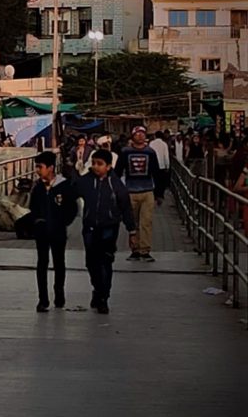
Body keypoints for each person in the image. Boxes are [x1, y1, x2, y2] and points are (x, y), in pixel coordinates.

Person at [75, 149, 138, 314]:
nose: (96, 167)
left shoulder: (116, 184)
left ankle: (103, 297)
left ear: (109, 166)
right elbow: (70, 191)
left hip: (109, 227)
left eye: (100, 164)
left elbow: (125, 208)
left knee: (105, 261)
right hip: (89, 226)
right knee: (91, 262)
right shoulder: (86, 181)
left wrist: (132, 231)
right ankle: (97, 288)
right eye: (94, 163)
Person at [28, 151, 78, 312]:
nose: (37, 170)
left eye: (40, 167)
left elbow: (72, 208)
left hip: (58, 231)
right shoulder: (38, 188)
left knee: (59, 263)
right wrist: (37, 222)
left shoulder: (64, 186)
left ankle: (59, 295)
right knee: (42, 263)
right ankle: (43, 299)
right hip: (41, 232)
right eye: (36, 167)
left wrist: (63, 222)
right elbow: (33, 208)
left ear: (50, 168)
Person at [116, 125, 159, 262]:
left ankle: (145, 250)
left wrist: (159, 193)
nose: (140, 136)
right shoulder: (125, 152)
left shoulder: (150, 152)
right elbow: (117, 172)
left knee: (146, 222)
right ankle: (134, 250)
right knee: (132, 223)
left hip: (147, 191)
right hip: (130, 191)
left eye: (142, 133)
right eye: (137, 134)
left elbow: (156, 173)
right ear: (132, 136)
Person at [149, 130, 171, 205]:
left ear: (155, 136)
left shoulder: (151, 143)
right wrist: (167, 165)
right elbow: (166, 156)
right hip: (162, 165)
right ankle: (160, 195)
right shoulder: (164, 144)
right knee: (161, 181)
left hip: (153, 165)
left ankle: (155, 195)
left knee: (154, 180)